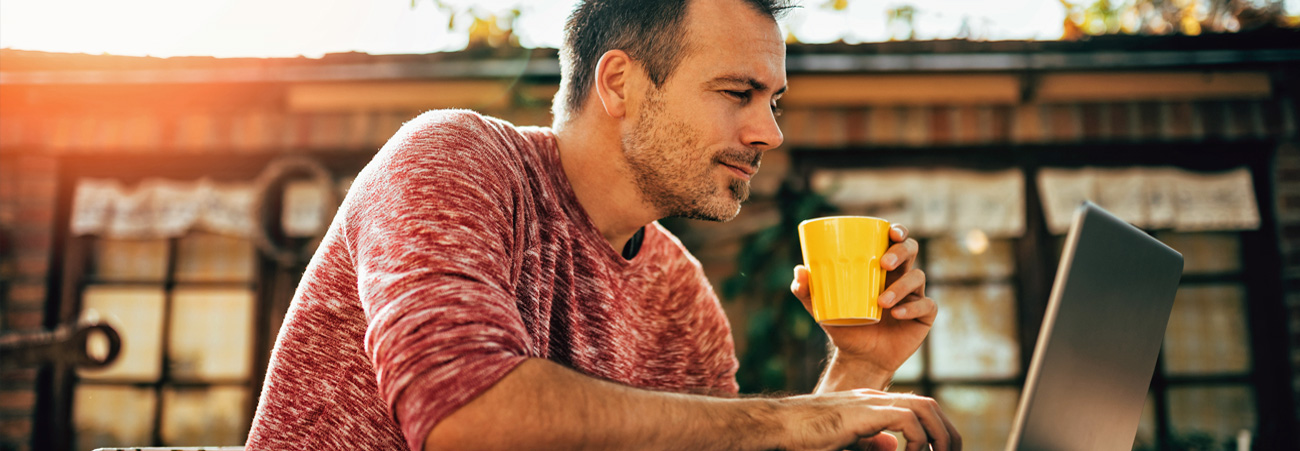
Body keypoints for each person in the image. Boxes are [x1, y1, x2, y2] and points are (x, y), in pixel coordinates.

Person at [246, 0, 960, 450]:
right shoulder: (454, 159)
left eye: (774, 100)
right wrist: (788, 419)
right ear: (619, 83)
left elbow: (728, 444)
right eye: (739, 92)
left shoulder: (680, 293)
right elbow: (467, 414)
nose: (767, 131)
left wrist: (858, 371)